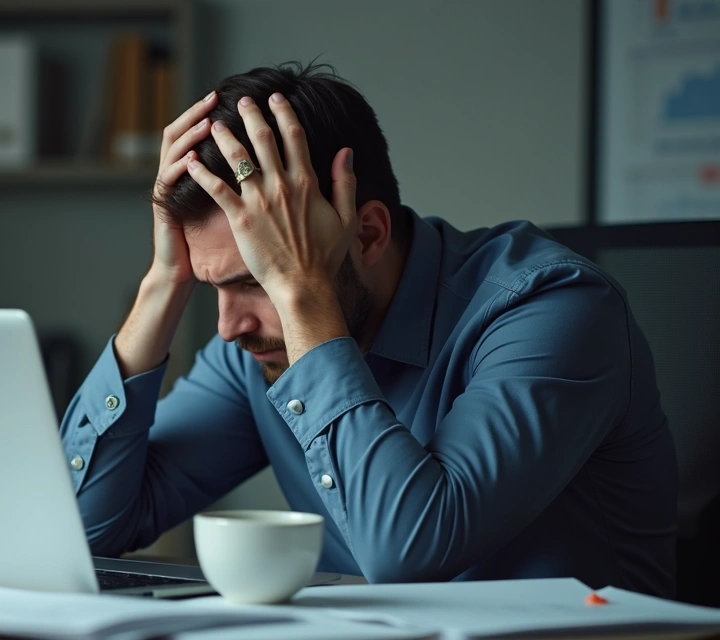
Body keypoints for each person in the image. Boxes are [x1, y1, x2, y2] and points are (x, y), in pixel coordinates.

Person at [58, 63, 677, 597]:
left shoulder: (555, 309)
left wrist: (300, 293)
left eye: (257, 280)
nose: (226, 327)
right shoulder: (258, 348)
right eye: (209, 284)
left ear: (368, 233)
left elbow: (409, 552)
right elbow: (82, 532)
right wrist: (163, 283)